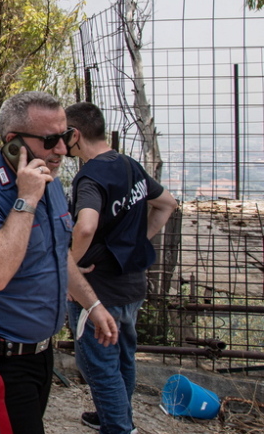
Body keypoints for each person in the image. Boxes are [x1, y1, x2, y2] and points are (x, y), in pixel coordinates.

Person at [0, 91, 118, 434]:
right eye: (51, 140)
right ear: (13, 142)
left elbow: (58, 255)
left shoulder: (50, 183)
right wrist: (25, 199)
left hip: (39, 352)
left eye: (66, 136)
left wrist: (93, 304)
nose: (62, 149)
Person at [65, 102, 177, 434]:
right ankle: (115, 414)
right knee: (124, 357)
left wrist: (70, 263)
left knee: (99, 365)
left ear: (75, 135)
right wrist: (137, 241)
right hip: (132, 285)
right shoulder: (128, 165)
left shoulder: (90, 176)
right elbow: (167, 203)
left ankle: (118, 426)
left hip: (100, 290)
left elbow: (85, 227)